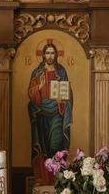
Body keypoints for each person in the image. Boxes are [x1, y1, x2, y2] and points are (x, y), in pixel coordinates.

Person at [27, 43, 72, 186]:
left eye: (53, 53)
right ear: (43, 55)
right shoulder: (37, 72)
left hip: (57, 113)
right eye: (48, 53)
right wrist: (39, 87)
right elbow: (31, 93)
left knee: (55, 145)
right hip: (41, 113)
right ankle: (41, 178)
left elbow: (68, 93)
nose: (50, 56)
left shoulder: (61, 71)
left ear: (56, 55)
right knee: (42, 147)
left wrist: (62, 100)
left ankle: (57, 178)